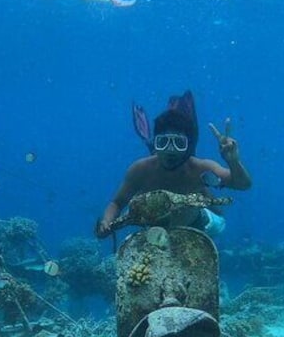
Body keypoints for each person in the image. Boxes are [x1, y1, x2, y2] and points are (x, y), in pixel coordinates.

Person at [95, 90, 252, 239]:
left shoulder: (200, 168)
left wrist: (233, 161)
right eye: (163, 142)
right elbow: (117, 202)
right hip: (156, 234)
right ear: (155, 144)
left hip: (199, 224)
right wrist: (106, 222)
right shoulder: (140, 170)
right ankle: (202, 193)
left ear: (189, 146)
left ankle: (205, 199)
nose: (170, 151)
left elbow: (242, 184)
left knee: (219, 222)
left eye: (179, 143)